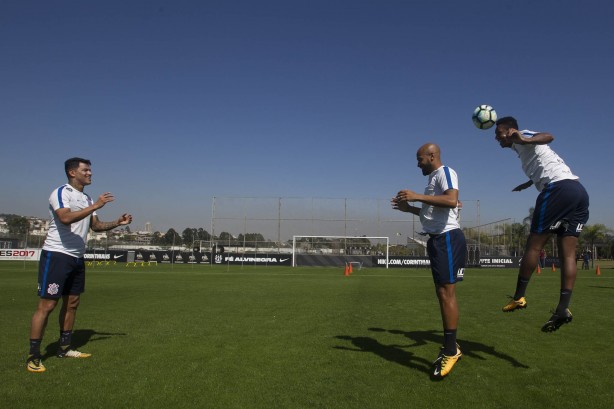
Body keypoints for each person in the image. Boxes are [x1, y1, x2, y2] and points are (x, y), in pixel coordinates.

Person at [26, 158, 132, 373]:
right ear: (72, 172)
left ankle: (64, 348)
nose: (90, 173)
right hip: (57, 255)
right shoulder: (61, 193)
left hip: (76, 257)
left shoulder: (86, 197)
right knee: (47, 305)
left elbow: (96, 225)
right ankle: (34, 355)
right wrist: (95, 205)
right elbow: (65, 218)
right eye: (86, 170)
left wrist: (117, 223)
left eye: (90, 170)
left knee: (72, 302)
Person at [495, 117, 589, 332]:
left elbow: (548, 136)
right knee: (568, 254)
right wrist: (528, 183)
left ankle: (519, 296)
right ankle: (563, 309)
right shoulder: (521, 149)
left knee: (534, 246)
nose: (496, 138)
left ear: (510, 131)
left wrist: (524, 139)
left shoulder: (523, 136)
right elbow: (544, 162)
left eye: (498, 133)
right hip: (578, 192)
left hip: (557, 190)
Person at [392, 143, 466, 379]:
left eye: (420, 159)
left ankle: (451, 349)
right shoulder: (433, 180)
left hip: (447, 238)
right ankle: (451, 347)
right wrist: (410, 209)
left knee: (446, 293)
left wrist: (417, 196)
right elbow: (434, 211)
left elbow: (452, 200)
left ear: (432, 156)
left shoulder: (445, 173)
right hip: (437, 240)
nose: (417, 163)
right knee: (442, 293)